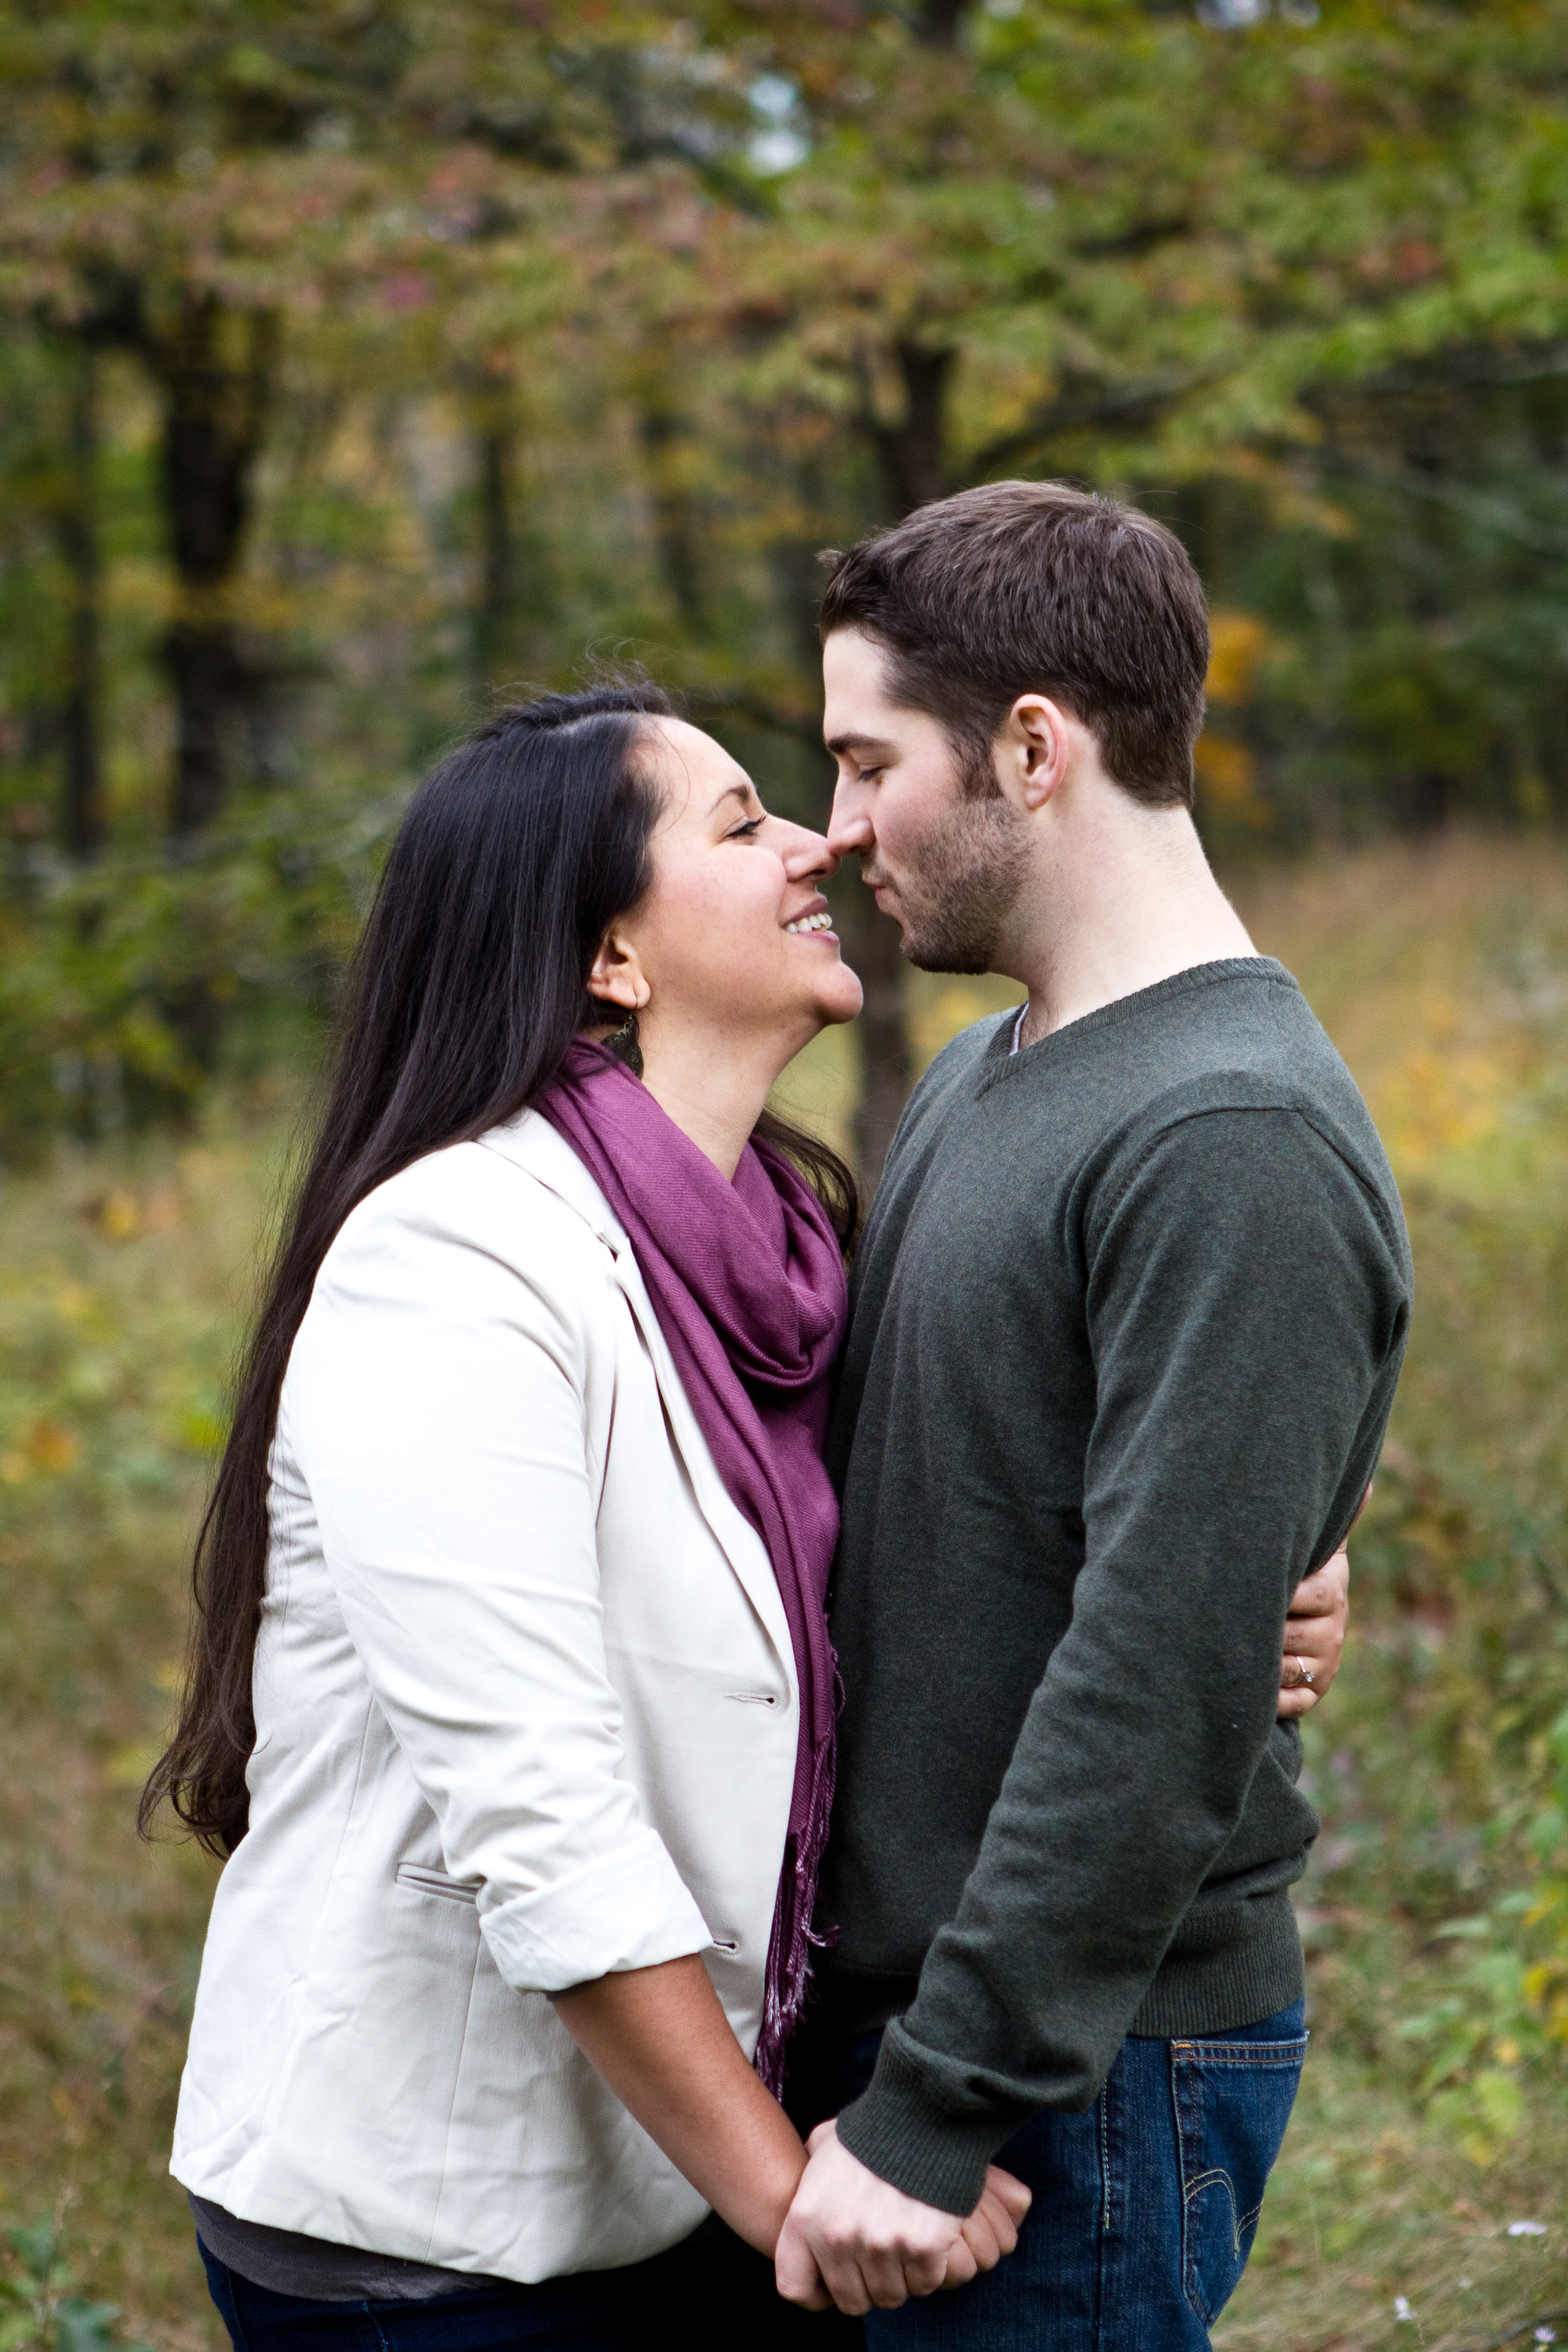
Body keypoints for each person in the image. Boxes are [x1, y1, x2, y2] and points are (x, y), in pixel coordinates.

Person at [143, 684, 1033, 2351]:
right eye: (739, 822)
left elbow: (931, 1552)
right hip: (438, 2241)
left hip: (668, 2180)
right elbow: (540, 1812)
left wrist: (1245, 1581)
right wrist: (798, 2203)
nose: (818, 839)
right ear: (611, 957)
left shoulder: (782, 1253)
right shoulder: (456, 1263)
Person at [771, 482, 1412, 2347]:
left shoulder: (1228, 1134)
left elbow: (1149, 1681)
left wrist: (937, 2098)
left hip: (1078, 2079)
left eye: (863, 762)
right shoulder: (994, 1069)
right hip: (938, 2031)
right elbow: (960, 1502)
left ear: (1031, 749)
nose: (834, 830)